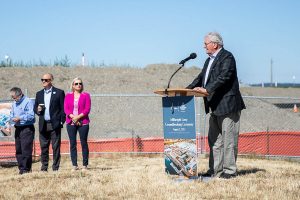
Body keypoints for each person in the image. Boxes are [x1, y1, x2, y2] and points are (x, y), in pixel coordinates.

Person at [186, 32, 246, 179]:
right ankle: (215, 170)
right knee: (215, 141)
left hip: (228, 105)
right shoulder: (209, 61)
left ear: (215, 44)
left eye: (205, 43)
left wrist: (207, 89)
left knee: (228, 140)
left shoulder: (227, 57)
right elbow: (201, 78)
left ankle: (230, 171)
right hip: (215, 106)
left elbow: (224, 77)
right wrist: (187, 90)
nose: (203, 46)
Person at [34, 73, 65, 172]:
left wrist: (61, 122)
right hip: (43, 124)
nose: (43, 81)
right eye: (42, 79)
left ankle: (55, 168)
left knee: (56, 147)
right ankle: (44, 168)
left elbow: (63, 109)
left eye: (46, 80)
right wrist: (38, 110)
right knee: (44, 147)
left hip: (54, 124)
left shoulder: (59, 92)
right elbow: (35, 108)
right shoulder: (39, 94)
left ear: (51, 80)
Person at [64, 78, 91, 171]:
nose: (78, 85)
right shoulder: (68, 96)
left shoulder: (86, 95)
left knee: (84, 143)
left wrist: (78, 117)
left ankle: (85, 165)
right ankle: (74, 165)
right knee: (72, 144)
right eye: (76, 83)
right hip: (71, 123)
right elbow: (66, 109)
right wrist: (73, 118)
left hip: (83, 122)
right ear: (73, 85)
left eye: (80, 83)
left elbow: (87, 109)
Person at [10, 87, 35, 174]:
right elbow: (11, 114)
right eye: (12, 97)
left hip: (27, 128)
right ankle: (21, 169)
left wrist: (20, 118)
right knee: (19, 150)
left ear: (20, 94)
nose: (13, 99)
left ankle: (26, 169)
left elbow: (31, 116)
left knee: (26, 150)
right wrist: (12, 119)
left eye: (14, 97)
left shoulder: (28, 101)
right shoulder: (14, 103)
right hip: (18, 128)